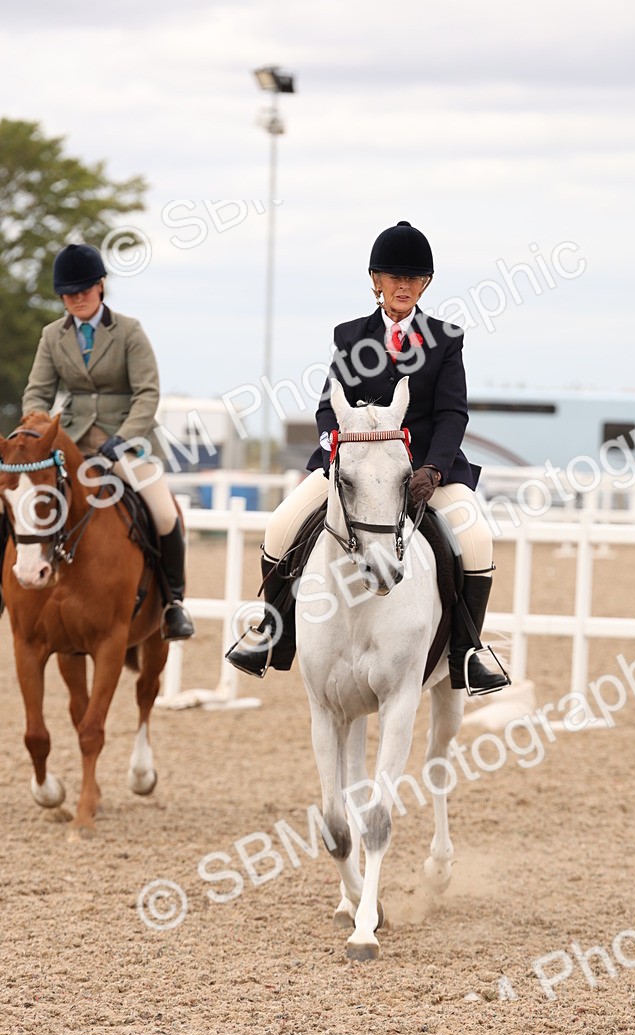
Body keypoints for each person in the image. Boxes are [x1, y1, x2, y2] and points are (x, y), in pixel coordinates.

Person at [227, 220, 510, 694]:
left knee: (478, 539)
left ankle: (467, 652)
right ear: (376, 280)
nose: (404, 286)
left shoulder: (445, 339)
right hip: (356, 467)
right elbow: (327, 407)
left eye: (414, 278)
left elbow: (452, 414)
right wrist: (334, 453)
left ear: (426, 284)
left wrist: (434, 468)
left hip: (427, 471)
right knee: (280, 527)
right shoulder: (350, 337)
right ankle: (275, 635)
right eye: (394, 277)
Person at [15, 243, 194, 640]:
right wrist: (36, 430)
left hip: (127, 443)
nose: (76, 299)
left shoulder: (129, 331)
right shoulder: (52, 336)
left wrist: (124, 437)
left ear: (100, 286)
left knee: (164, 514)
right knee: (16, 501)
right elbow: (37, 393)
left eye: (83, 291)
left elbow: (147, 393)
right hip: (71, 444)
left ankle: (173, 604)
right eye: (68, 294)